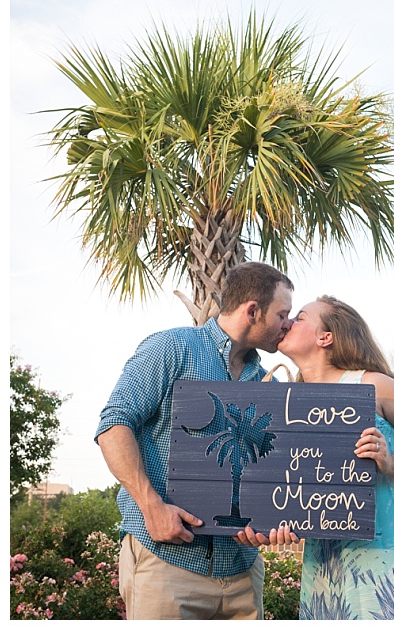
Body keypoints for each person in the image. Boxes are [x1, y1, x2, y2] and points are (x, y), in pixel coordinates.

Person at [95, 261, 294, 620]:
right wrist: (152, 507)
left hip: (243, 574)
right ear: (252, 310)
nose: (288, 324)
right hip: (167, 564)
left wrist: (266, 525)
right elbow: (113, 425)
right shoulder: (171, 347)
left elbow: (271, 475)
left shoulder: (270, 385)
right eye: (283, 314)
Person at [246, 296, 394, 620]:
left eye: (300, 317)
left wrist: (393, 463)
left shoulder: (371, 383)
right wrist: (281, 521)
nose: (289, 322)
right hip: (327, 563)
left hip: (389, 553)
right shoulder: (290, 404)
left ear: (325, 337)